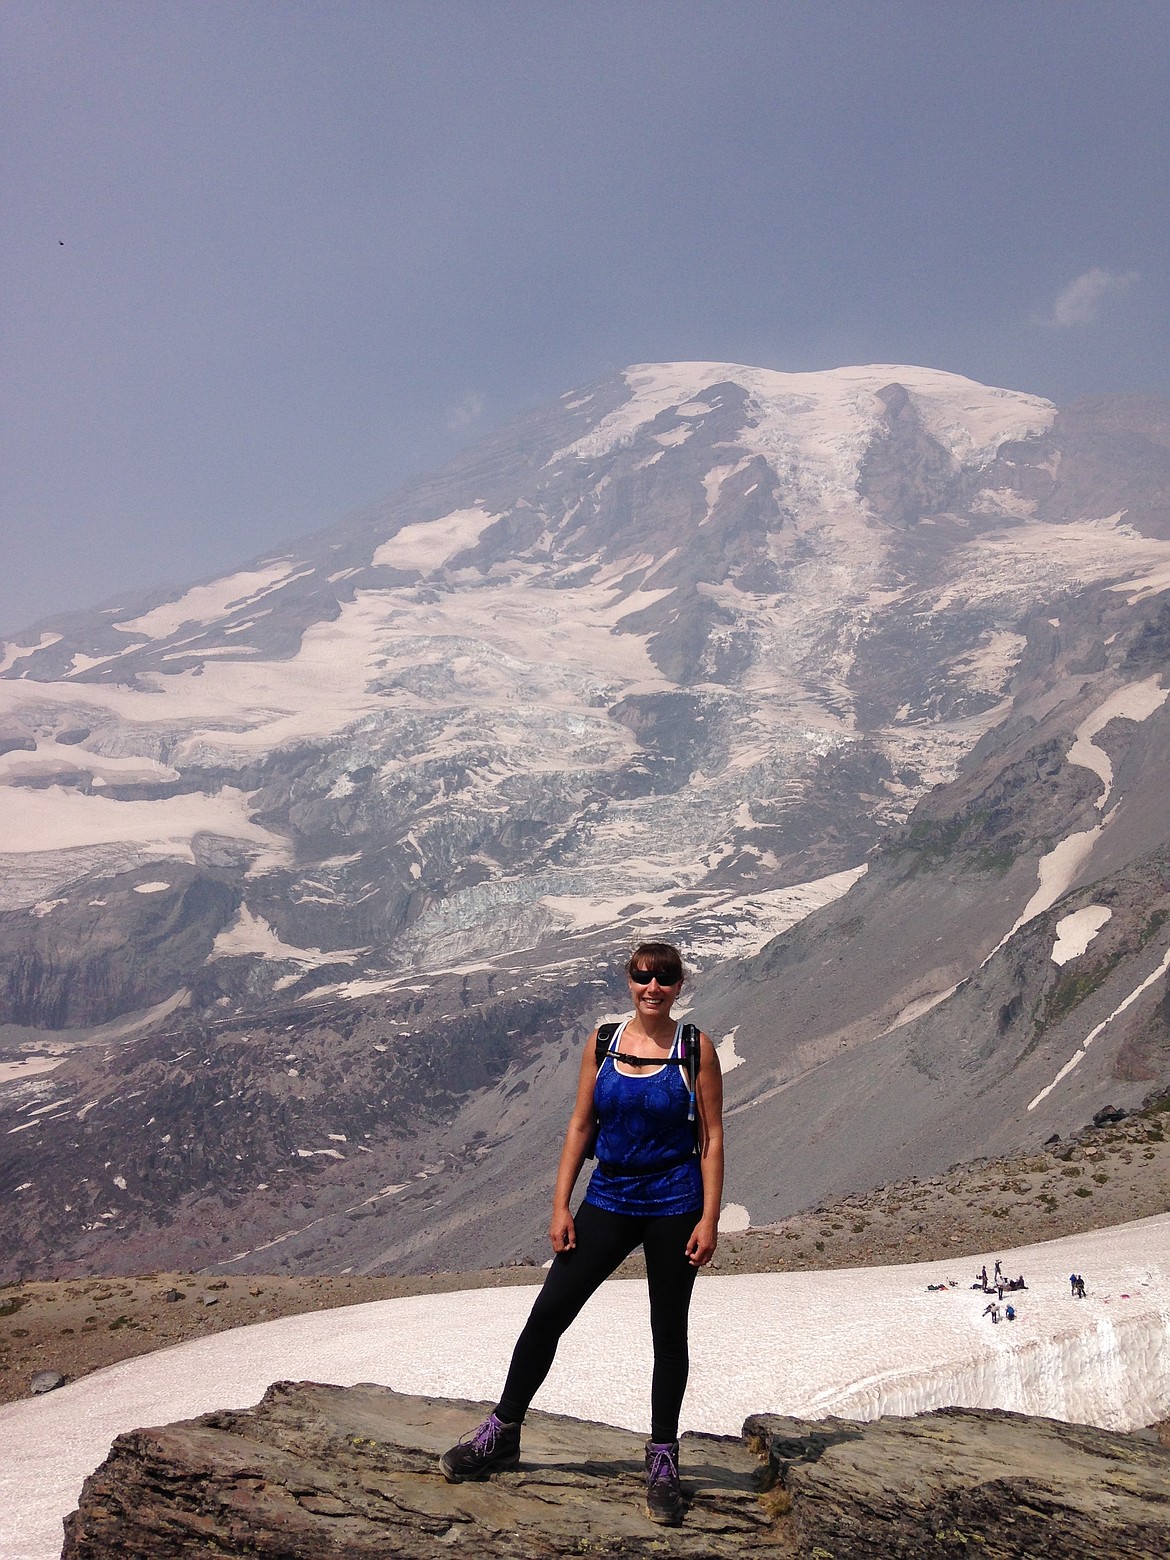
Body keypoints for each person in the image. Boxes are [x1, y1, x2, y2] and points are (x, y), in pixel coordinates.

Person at [439, 940, 725, 1527]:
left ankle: (663, 1456)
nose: (653, 987)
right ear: (629, 981)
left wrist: (709, 1218)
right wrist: (560, 1205)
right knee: (549, 1313)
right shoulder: (603, 1042)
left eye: (665, 979)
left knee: (668, 1332)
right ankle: (505, 1428)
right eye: (643, 977)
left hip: (674, 1202)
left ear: (679, 985)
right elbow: (579, 1123)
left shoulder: (696, 1048)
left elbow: (713, 1137)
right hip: (609, 1196)